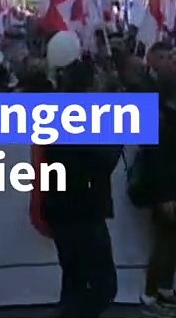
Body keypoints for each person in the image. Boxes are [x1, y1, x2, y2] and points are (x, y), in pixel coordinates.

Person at [43, 57, 119, 318]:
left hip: (64, 208)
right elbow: (102, 161)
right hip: (83, 210)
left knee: (75, 282)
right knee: (102, 287)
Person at [138, 52, 176, 314]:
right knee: (163, 243)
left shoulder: (168, 118)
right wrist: (164, 196)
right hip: (167, 191)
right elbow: (159, 160)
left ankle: (165, 289)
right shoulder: (164, 121)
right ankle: (150, 296)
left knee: (171, 241)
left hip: (175, 188)